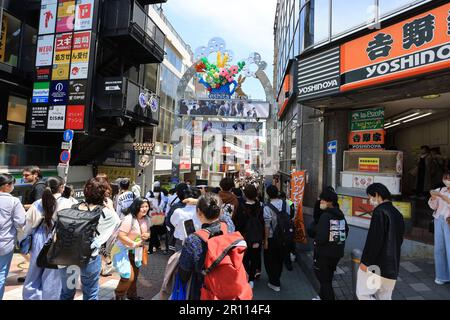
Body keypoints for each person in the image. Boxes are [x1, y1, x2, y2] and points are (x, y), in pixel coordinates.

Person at [59, 178, 120, 300]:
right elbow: (117, 222)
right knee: (90, 294)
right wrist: (111, 207)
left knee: (67, 292)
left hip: (68, 256)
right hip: (89, 257)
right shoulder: (106, 213)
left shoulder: (73, 207)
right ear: (103, 195)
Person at [177, 193, 237, 300]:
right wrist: (199, 202)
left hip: (202, 290)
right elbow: (224, 214)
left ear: (199, 212)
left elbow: (184, 273)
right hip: (228, 286)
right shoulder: (229, 225)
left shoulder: (193, 240)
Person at [22, 177, 73, 300]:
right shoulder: (68, 202)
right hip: (57, 239)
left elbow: (27, 224)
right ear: (61, 187)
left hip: (38, 236)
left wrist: (26, 241)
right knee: (52, 275)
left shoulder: (37, 203)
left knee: (34, 271)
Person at [356, 183, 405, 300]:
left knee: (363, 294)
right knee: (384, 297)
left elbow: (374, 240)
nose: (369, 201)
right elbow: (399, 239)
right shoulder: (397, 213)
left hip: (375, 266)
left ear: (377, 194)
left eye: (370, 197)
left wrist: (365, 262)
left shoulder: (379, 211)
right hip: (392, 265)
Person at [312, 188, 348, 300]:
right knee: (327, 278)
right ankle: (321, 296)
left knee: (324, 280)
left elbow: (321, 238)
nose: (321, 202)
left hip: (324, 253)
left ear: (330, 202)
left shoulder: (325, 216)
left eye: (324, 200)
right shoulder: (340, 215)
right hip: (337, 252)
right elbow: (345, 231)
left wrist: (315, 241)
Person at [112, 197, 151, 300]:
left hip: (136, 251)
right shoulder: (129, 219)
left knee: (135, 276)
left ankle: (132, 296)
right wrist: (133, 243)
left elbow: (147, 232)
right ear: (136, 206)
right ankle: (118, 295)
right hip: (123, 250)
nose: (145, 209)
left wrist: (147, 235)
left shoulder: (146, 219)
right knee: (128, 277)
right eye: (142, 206)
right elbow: (121, 235)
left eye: (146, 206)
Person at [233, 184, 264, 289]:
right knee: (255, 257)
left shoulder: (241, 206)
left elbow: (238, 223)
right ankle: (251, 279)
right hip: (257, 237)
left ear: (245, 194)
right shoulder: (260, 206)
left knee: (244, 258)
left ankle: (244, 278)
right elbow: (262, 222)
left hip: (244, 237)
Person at [0, 174, 26, 299]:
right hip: (5, 243)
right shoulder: (14, 201)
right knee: (1, 274)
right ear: (6, 186)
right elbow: (21, 222)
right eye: (12, 184)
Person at [263, 185, 290, 292]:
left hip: (271, 237)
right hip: (284, 236)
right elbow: (289, 218)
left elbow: (267, 225)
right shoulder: (285, 203)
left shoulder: (267, 207)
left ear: (268, 194)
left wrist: (265, 240)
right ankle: (277, 278)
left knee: (270, 260)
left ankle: (274, 282)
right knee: (279, 259)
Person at [429, 172, 450, 285]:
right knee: (439, 249)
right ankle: (442, 276)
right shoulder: (440, 189)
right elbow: (434, 206)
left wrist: (443, 197)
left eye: (448, 178)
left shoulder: (442, 193)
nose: (446, 180)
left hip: (448, 221)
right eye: (445, 178)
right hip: (439, 220)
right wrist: (433, 198)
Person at [170, 187, 202, 251]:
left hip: (181, 241)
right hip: (199, 241)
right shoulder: (203, 212)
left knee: (180, 260)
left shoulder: (178, 211)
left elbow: (173, 223)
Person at [280, 191, 296, 271]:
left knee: (283, 242)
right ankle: (288, 262)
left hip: (282, 225)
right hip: (289, 224)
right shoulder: (290, 202)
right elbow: (293, 213)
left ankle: (283, 259)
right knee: (289, 243)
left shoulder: (279, 203)